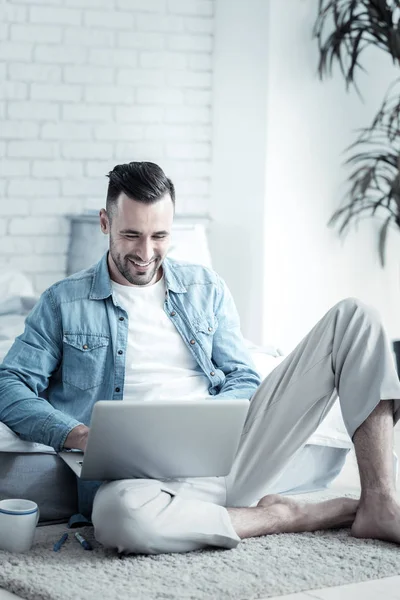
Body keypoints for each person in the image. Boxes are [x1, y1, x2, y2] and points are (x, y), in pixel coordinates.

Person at [1, 161, 400, 555]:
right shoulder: (63, 302)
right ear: (105, 223)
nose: (145, 252)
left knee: (357, 316)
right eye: (131, 235)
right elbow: (9, 385)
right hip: (137, 481)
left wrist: (209, 423)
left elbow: (242, 374)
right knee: (120, 521)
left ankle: (380, 501)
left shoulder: (205, 287)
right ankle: (283, 516)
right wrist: (79, 435)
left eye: (160, 236)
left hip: (229, 456)